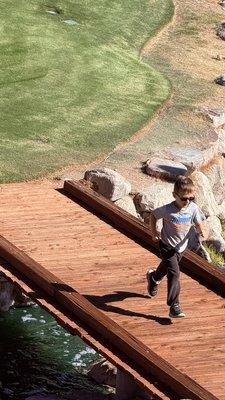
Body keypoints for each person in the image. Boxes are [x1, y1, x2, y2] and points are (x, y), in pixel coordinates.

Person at [147, 176, 206, 318]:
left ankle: (154, 278)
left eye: (191, 198)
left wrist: (201, 230)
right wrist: (154, 233)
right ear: (175, 195)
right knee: (174, 272)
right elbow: (153, 215)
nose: (187, 201)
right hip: (167, 244)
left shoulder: (192, 208)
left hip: (181, 247)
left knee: (168, 267)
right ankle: (174, 306)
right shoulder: (168, 209)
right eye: (184, 198)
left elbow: (198, 222)